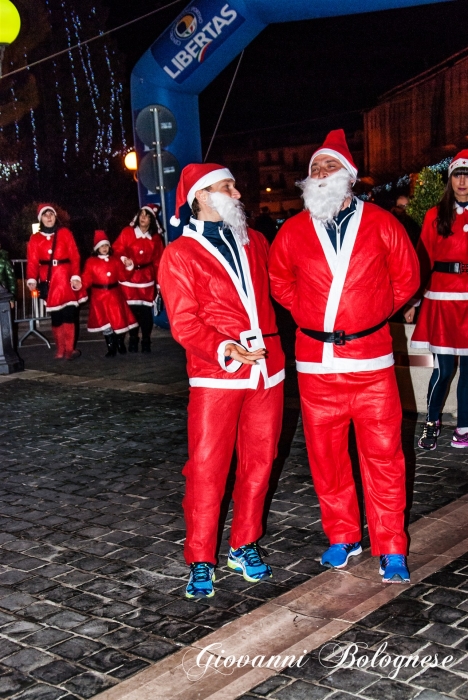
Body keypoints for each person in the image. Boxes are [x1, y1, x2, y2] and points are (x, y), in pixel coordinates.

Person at [269, 129, 419, 584]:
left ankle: (391, 544)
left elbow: (406, 278)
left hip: (371, 364)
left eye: (328, 166)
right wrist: (315, 317)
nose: (319, 173)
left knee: (385, 455)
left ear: (348, 177)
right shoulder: (293, 230)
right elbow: (279, 281)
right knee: (326, 456)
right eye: (314, 168)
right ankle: (343, 535)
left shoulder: (381, 222)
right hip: (315, 366)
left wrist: (369, 314)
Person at [159, 163, 285, 599]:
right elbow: (184, 322)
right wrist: (225, 347)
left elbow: (287, 286)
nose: (237, 192)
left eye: (233, 184)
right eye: (226, 186)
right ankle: (199, 558)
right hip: (218, 375)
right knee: (208, 468)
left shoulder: (256, 242)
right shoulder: (179, 254)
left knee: (260, 461)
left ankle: (244, 543)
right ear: (202, 197)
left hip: (268, 369)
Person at [404, 150, 468, 451]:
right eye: (458, 175)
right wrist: (413, 301)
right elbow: (422, 258)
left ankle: (464, 428)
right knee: (443, 369)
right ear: (450, 178)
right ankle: (432, 423)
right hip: (442, 299)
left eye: (467, 176)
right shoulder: (434, 214)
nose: (463, 182)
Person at [26, 204, 85, 360]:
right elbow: (32, 261)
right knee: (56, 316)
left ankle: (69, 350)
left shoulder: (64, 233)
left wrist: (75, 276)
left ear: (55, 217)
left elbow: (74, 255)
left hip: (66, 279)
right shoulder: (35, 239)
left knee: (69, 314)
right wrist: (32, 278)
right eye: (45, 215)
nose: (49, 217)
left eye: (51, 214)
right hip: (50, 281)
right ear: (41, 219)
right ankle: (60, 349)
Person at [113, 204, 164, 353]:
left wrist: (159, 283)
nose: (143, 217)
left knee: (146, 312)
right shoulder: (127, 232)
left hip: (146, 279)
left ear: (151, 220)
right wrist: (124, 259)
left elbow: (159, 261)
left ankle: (146, 340)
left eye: (147, 215)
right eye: (141, 214)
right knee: (130, 310)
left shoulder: (155, 239)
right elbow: (117, 248)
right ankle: (133, 338)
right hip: (129, 277)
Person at [81, 231, 138, 357]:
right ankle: (110, 346)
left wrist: (128, 267)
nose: (104, 248)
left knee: (119, 321)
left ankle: (119, 342)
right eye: (101, 246)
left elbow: (123, 276)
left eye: (106, 245)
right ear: (96, 248)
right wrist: (80, 285)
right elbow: (86, 278)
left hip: (114, 295)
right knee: (105, 322)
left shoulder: (115, 261)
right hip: (99, 297)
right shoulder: (91, 262)